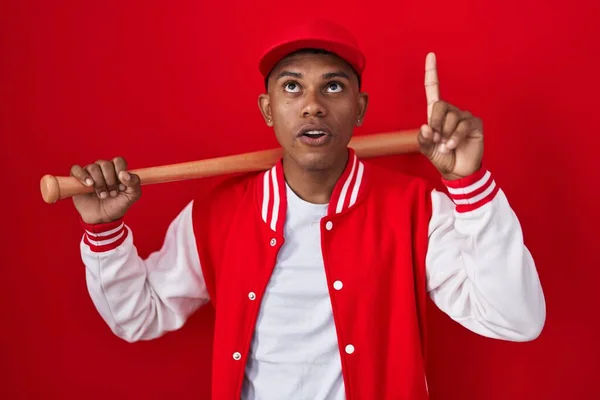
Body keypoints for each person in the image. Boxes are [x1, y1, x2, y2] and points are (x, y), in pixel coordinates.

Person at [69, 18, 545, 400]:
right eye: (292, 87)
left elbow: (516, 318)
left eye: (333, 87)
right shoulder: (216, 214)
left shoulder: (417, 211)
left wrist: (470, 186)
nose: (312, 105)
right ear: (267, 109)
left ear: (359, 109)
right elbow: (140, 318)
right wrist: (105, 233)